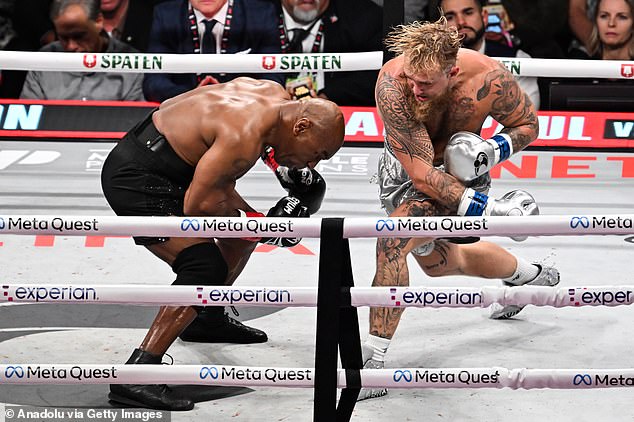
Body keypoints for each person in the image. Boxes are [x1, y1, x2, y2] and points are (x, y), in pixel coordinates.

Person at [100, 77, 345, 410]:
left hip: (178, 163)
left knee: (240, 238)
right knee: (203, 266)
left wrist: (281, 171)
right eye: (317, 154)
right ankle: (138, 374)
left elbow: (254, 145)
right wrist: (270, 229)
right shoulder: (242, 135)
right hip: (140, 178)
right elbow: (198, 208)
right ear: (301, 127)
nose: (313, 165)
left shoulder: (274, 97)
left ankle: (206, 319)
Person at [358, 18, 560, 400]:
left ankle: (373, 364)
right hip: (407, 170)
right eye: (412, 78)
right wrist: (493, 209)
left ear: (452, 71)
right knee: (440, 264)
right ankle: (526, 275)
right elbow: (420, 174)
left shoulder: (488, 78)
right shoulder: (393, 82)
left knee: (392, 243)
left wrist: (490, 151)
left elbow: (527, 124)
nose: (416, 89)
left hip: (464, 168)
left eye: (427, 83)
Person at [142, 0, 284, 103]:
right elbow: (153, 84)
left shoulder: (260, 14)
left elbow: (274, 80)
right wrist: (193, 95)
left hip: (244, 113)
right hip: (184, 113)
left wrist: (229, 93)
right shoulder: (166, 15)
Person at [20, 0, 144, 101]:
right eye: (63, 37)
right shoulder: (43, 61)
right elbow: (27, 119)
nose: (70, 46)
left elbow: (134, 122)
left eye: (79, 36)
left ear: (98, 21)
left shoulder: (130, 61)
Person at [276, 0, 382, 105]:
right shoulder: (262, 15)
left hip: (340, 111)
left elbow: (379, 76)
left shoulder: (363, 17)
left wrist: (328, 97)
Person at [439, 0, 540, 109]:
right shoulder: (432, 63)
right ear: (441, 26)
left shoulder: (517, 58)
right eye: (450, 17)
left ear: (485, 17)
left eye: (468, 13)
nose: (461, 22)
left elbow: (527, 116)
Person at [569, 0, 634, 60]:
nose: (611, 23)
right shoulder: (579, 63)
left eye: (622, 17)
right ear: (596, 21)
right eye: (604, 16)